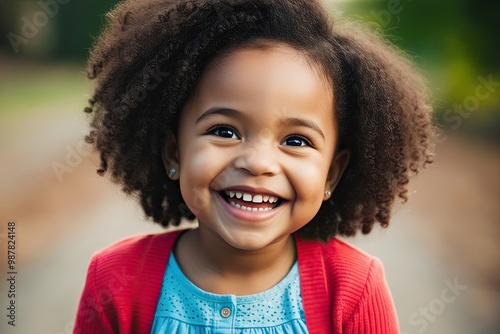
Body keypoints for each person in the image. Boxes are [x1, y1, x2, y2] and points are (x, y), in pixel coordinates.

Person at [73, 0, 435, 333]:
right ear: (174, 154)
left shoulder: (354, 291)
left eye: (296, 140)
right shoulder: (115, 280)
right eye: (224, 131)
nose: (258, 163)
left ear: (332, 174)